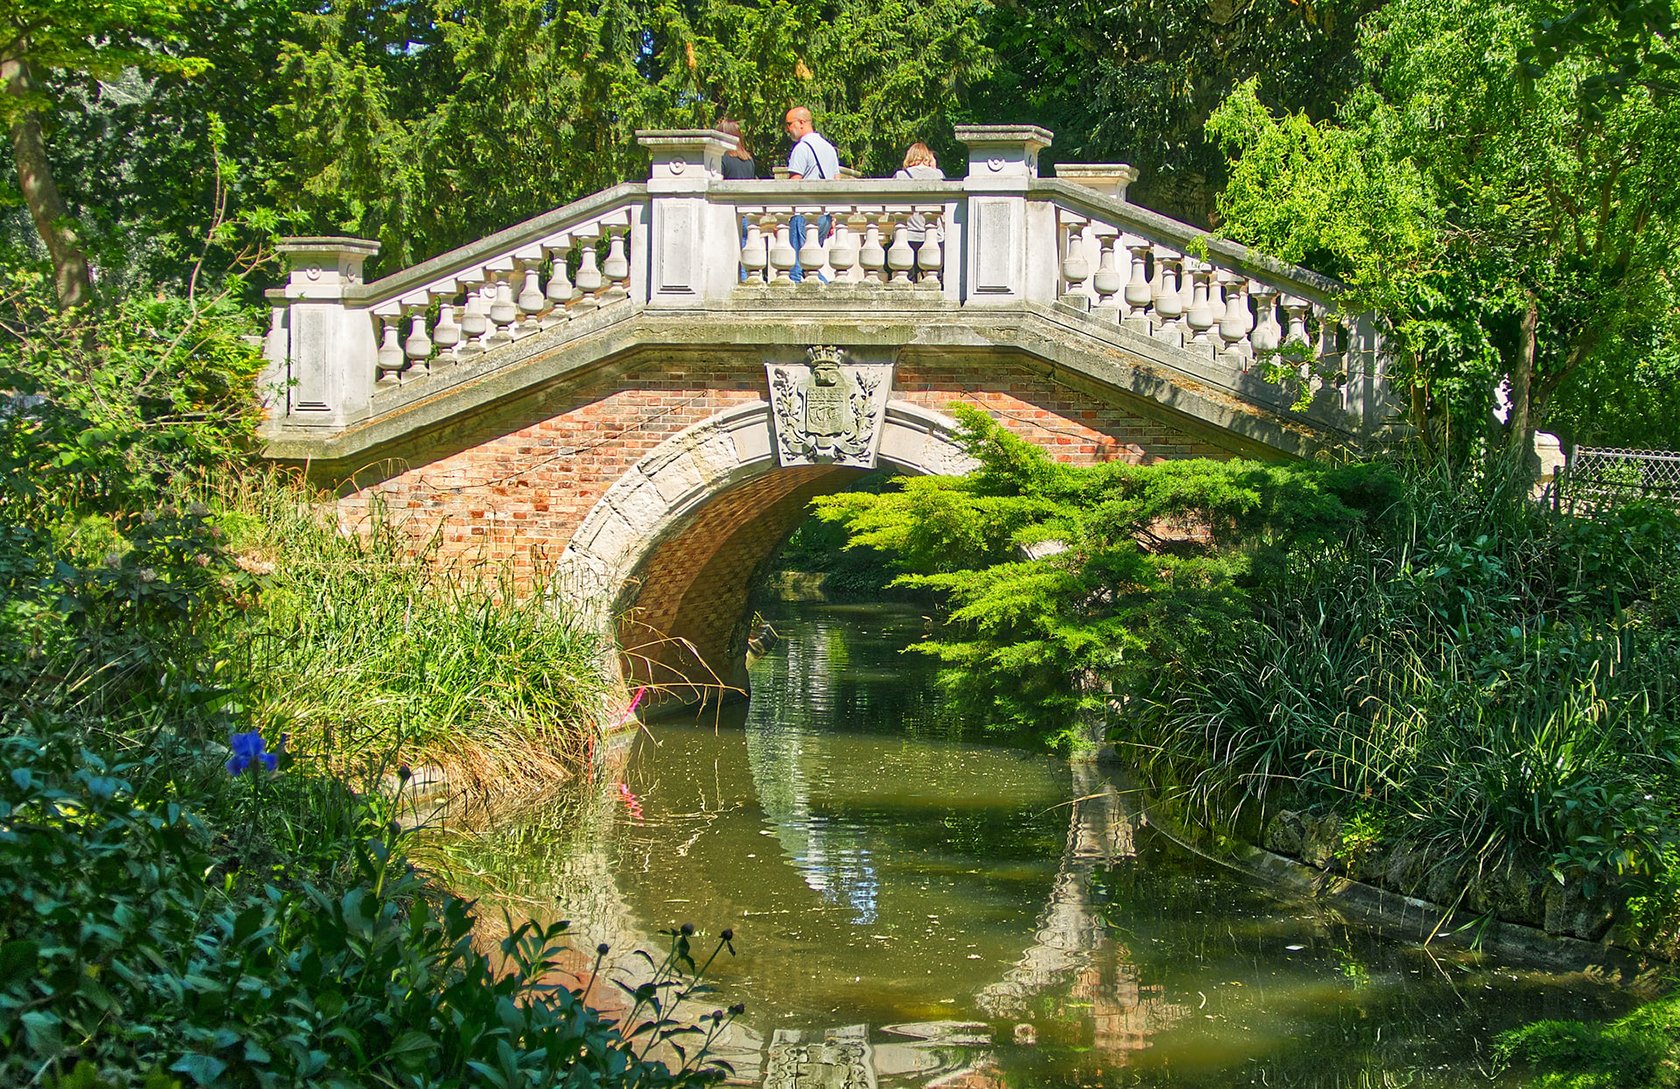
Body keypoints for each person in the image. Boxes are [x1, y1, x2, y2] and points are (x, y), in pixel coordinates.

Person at [783, 105, 839, 282]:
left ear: (801, 123)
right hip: (825, 216)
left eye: (789, 124)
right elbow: (837, 182)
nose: (787, 130)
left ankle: (828, 296)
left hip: (804, 215)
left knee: (798, 270)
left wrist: (783, 215)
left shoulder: (802, 148)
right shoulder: (829, 148)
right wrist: (834, 217)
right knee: (811, 267)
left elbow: (794, 184)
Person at [893, 142, 944, 279]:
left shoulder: (901, 176)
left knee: (907, 278)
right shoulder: (937, 175)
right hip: (934, 234)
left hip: (907, 234)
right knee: (935, 279)